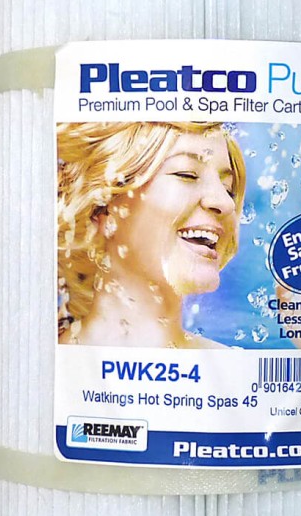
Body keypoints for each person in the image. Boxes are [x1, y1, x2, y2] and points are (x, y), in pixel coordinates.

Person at [57, 121, 246, 348]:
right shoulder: (47, 359)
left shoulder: (235, 364)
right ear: (103, 208)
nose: (226, 203)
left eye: (228, 189)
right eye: (186, 174)